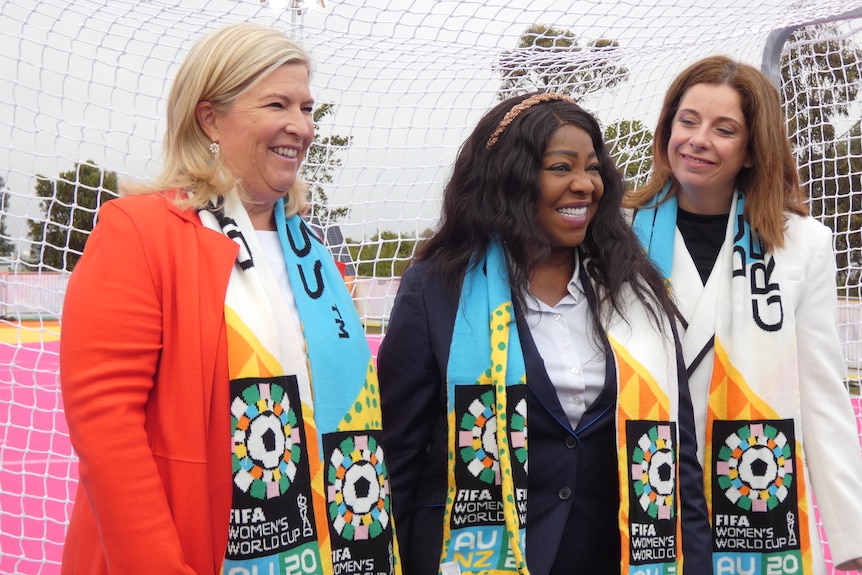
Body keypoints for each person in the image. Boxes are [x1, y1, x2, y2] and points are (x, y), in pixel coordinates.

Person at [59, 22, 399, 575]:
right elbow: (105, 425)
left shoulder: (314, 253)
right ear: (210, 117)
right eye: (277, 104)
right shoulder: (141, 230)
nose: (302, 126)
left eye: (308, 107)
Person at [377, 92, 713, 575]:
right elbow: (397, 457)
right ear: (509, 179)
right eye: (561, 168)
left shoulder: (638, 297)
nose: (584, 185)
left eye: (593, 169)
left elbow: (680, 466)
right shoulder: (435, 290)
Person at [625, 55, 862, 574]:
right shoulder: (618, 232)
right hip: (637, 493)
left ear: (754, 150)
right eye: (687, 121)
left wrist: (853, 533)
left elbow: (821, 391)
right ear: (667, 127)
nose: (698, 139)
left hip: (753, 486)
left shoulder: (803, 243)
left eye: (723, 129)